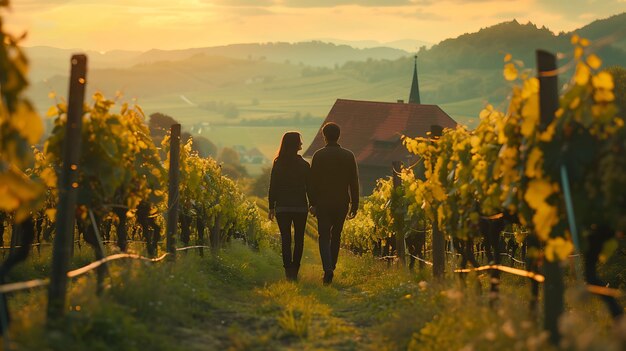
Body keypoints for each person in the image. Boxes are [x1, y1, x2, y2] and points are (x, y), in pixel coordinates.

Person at [309, 122, 359, 285]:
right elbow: (354, 182)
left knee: (324, 236)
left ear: (324, 136)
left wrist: (313, 202)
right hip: (341, 202)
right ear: (339, 136)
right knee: (336, 236)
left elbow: (312, 182)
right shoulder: (348, 155)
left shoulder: (318, 155)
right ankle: (333, 266)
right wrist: (355, 204)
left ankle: (327, 269)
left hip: (323, 202)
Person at [268, 132, 310, 281]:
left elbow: (273, 186)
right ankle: (295, 270)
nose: (302, 144)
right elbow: (309, 187)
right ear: (296, 144)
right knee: (299, 239)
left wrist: (271, 206)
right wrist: (313, 204)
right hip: (300, 207)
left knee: (286, 239)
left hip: (282, 207)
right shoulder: (304, 165)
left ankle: (288, 272)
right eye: (300, 141)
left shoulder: (278, 163)